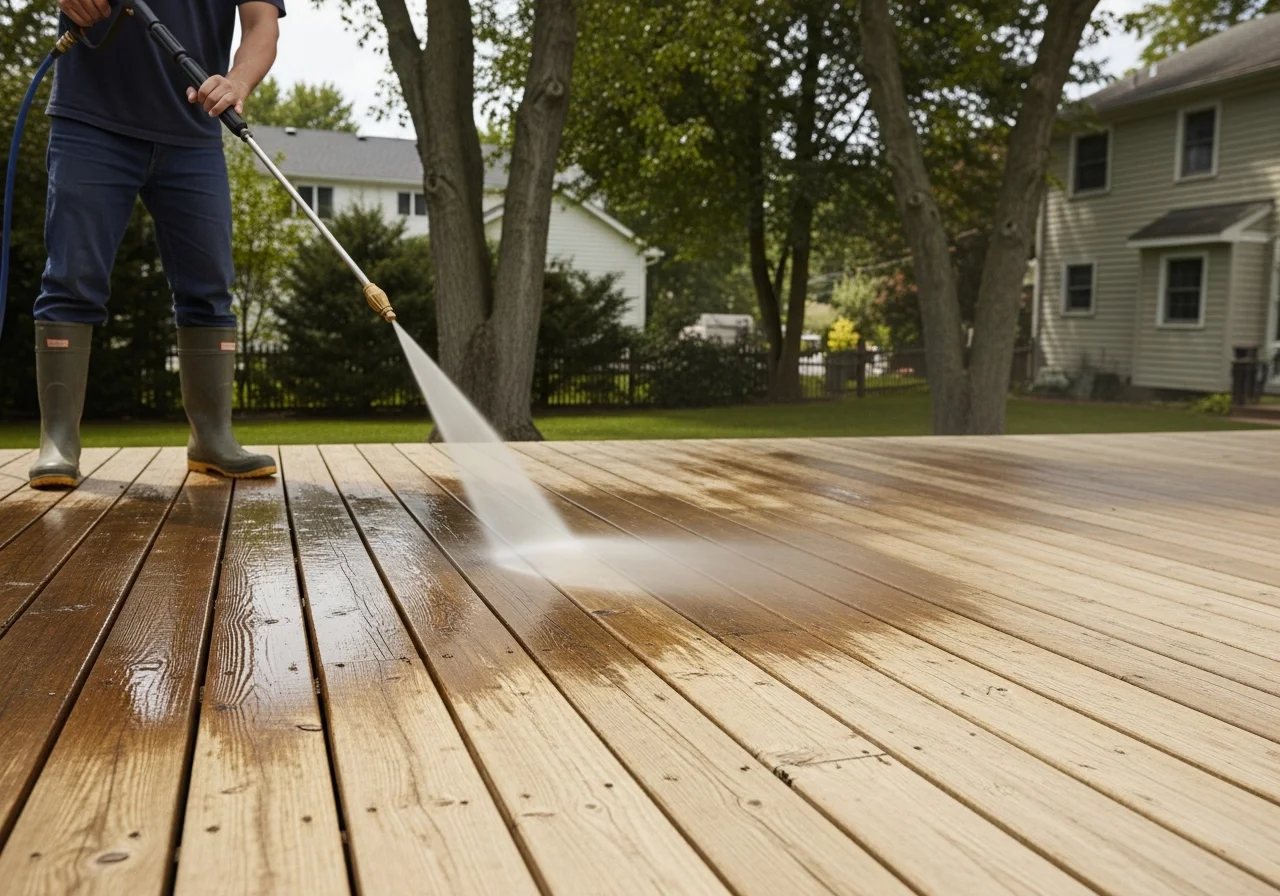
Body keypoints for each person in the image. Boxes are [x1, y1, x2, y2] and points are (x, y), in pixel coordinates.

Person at [29, 0, 285, 489]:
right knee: (71, 280)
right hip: (92, 120)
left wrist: (237, 82)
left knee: (209, 290)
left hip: (193, 129)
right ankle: (58, 441)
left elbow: (261, 23)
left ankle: (212, 438)